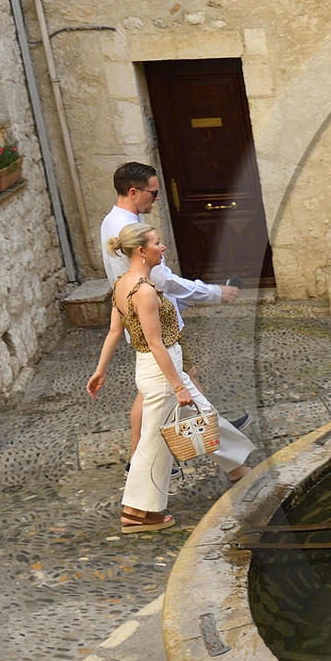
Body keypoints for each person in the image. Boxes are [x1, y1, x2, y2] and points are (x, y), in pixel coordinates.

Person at [87, 222, 258, 533]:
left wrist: (101, 370)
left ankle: (238, 468)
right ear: (141, 251)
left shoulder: (123, 284)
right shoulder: (145, 291)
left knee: (204, 415)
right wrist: (178, 386)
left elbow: (115, 331)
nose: (162, 247)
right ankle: (138, 511)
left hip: (160, 367)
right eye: (156, 243)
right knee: (155, 442)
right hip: (162, 369)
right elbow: (155, 342)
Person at [99, 162, 244, 459]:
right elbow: (163, 280)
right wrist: (215, 293)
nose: (157, 199)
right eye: (153, 193)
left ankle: (221, 433)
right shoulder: (128, 229)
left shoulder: (112, 222)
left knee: (172, 384)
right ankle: (216, 443)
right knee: (164, 392)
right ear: (133, 191)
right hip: (156, 326)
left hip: (147, 320)